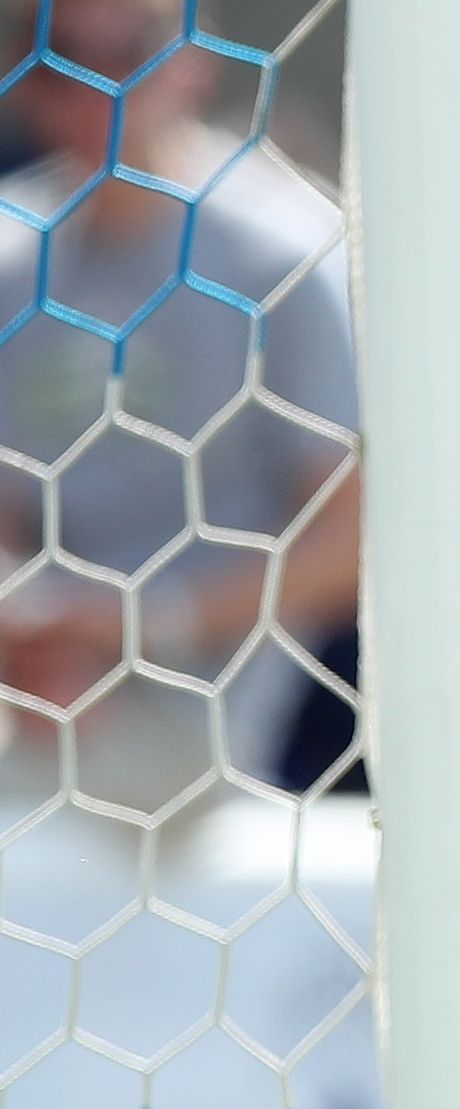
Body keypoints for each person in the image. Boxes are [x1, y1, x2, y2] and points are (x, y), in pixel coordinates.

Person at [0, 0, 360, 813]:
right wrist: (30, 630)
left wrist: (139, 627)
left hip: (202, 715)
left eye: (128, 53)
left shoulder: (286, 256)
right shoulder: (12, 257)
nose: (99, 89)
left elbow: (350, 541)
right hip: (31, 687)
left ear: (194, 60)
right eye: (61, 62)